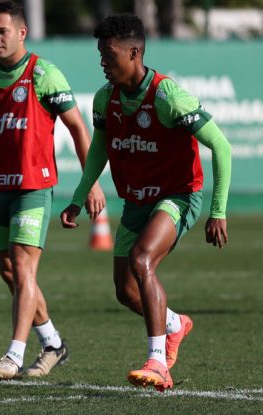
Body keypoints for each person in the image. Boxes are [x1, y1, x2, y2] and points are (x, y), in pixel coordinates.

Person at [60, 14, 231, 391]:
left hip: (178, 195)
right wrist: (78, 197)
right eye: (101, 56)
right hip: (137, 201)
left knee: (142, 260)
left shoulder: (168, 95)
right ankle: (174, 324)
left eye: (109, 55)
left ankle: (158, 363)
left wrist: (217, 211)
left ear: (134, 52)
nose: (103, 63)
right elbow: (99, 150)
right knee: (125, 291)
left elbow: (221, 146)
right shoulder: (106, 99)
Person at [0, 1, 105, 379]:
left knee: (22, 265)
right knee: (9, 272)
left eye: (2, 31)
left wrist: (91, 182)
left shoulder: (43, 74)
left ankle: (13, 356)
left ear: (21, 32)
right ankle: (52, 343)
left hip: (33, 186)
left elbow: (79, 129)